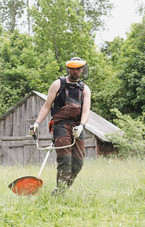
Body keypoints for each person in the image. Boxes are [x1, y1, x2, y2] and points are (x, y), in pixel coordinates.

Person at [31, 57, 91, 196]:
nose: (75, 71)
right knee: (65, 160)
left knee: (78, 162)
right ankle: (60, 194)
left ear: (82, 69)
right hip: (61, 124)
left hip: (77, 125)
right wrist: (37, 123)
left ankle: (61, 190)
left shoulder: (85, 89)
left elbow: (86, 110)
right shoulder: (58, 84)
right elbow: (47, 106)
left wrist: (82, 125)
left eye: (78, 68)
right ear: (68, 69)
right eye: (72, 68)